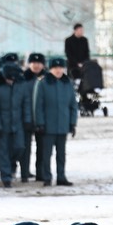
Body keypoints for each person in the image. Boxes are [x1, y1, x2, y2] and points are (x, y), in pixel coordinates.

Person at [33, 56, 78, 187]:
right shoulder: (42, 83)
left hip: (63, 124)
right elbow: (38, 105)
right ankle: (47, 177)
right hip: (48, 125)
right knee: (46, 154)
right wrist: (40, 123)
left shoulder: (67, 83)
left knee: (61, 154)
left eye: (60, 68)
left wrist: (72, 123)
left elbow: (73, 105)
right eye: (55, 68)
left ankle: (61, 176)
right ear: (50, 69)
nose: (58, 70)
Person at [0, 62, 28, 189]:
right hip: (3, 123)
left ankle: (12, 164)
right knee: (3, 152)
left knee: (20, 147)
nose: (10, 81)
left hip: (18, 123)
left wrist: (27, 120)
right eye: (9, 79)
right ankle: (6, 177)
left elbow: (26, 103)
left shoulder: (21, 85)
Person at [21, 53, 47, 182]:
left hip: (42, 118)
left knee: (42, 148)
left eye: (39, 63)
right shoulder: (22, 78)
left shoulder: (47, 78)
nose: (36, 65)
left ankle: (40, 172)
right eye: (33, 63)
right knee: (25, 148)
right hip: (26, 118)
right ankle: (24, 172)